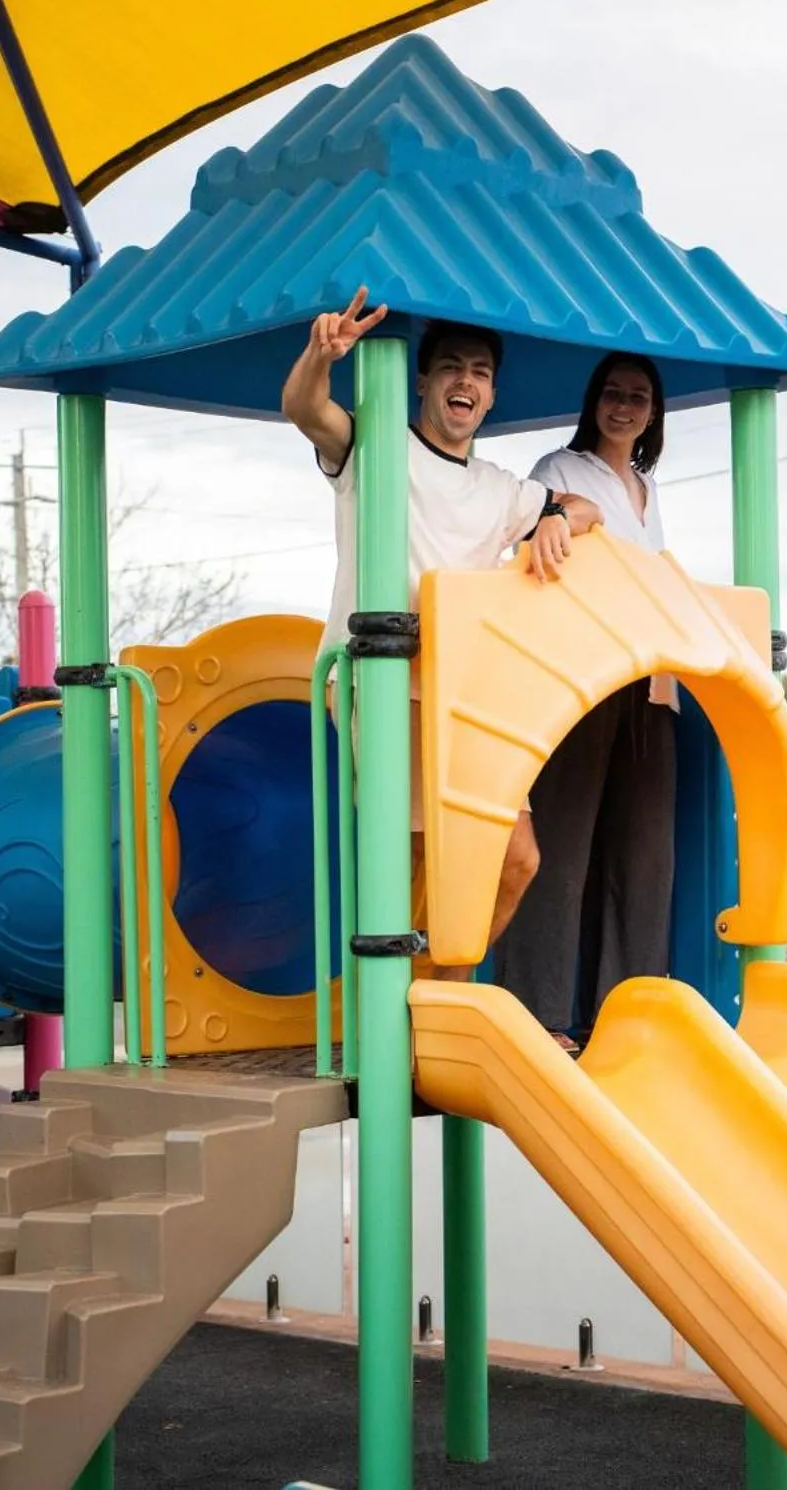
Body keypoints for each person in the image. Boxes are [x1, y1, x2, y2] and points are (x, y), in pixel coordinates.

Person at [282, 289, 603, 994]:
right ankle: (405, 1004)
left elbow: (588, 507)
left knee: (515, 858)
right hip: (384, 676)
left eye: (480, 372)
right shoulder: (375, 444)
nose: (466, 381)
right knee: (431, 854)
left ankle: (439, 991)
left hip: (464, 686)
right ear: (422, 382)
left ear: (489, 397)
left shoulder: (498, 488)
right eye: (452, 368)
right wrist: (321, 356)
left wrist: (557, 519)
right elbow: (306, 410)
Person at [497, 353, 676, 1047]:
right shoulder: (559, 471)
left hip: (649, 677)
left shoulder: (648, 486)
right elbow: (541, 553)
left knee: (643, 855)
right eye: (612, 393)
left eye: (636, 396)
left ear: (652, 412)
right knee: (562, 848)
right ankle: (537, 1015)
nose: (623, 406)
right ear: (592, 401)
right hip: (581, 674)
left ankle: (627, 1012)